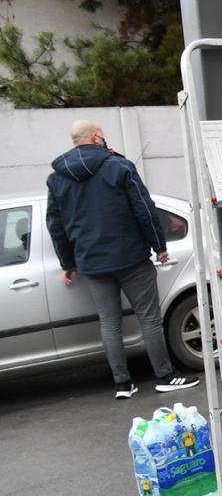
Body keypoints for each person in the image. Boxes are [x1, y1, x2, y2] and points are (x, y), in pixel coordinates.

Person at [46, 120, 199, 398]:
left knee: (109, 322)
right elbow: (144, 209)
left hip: (91, 263)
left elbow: (56, 226)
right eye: (102, 136)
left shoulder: (57, 178)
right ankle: (165, 376)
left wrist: (68, 263)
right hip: (131, 258)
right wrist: (159, 245)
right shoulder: (118, 166)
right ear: (96, 138)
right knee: (149, 318)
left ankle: (123, 384)